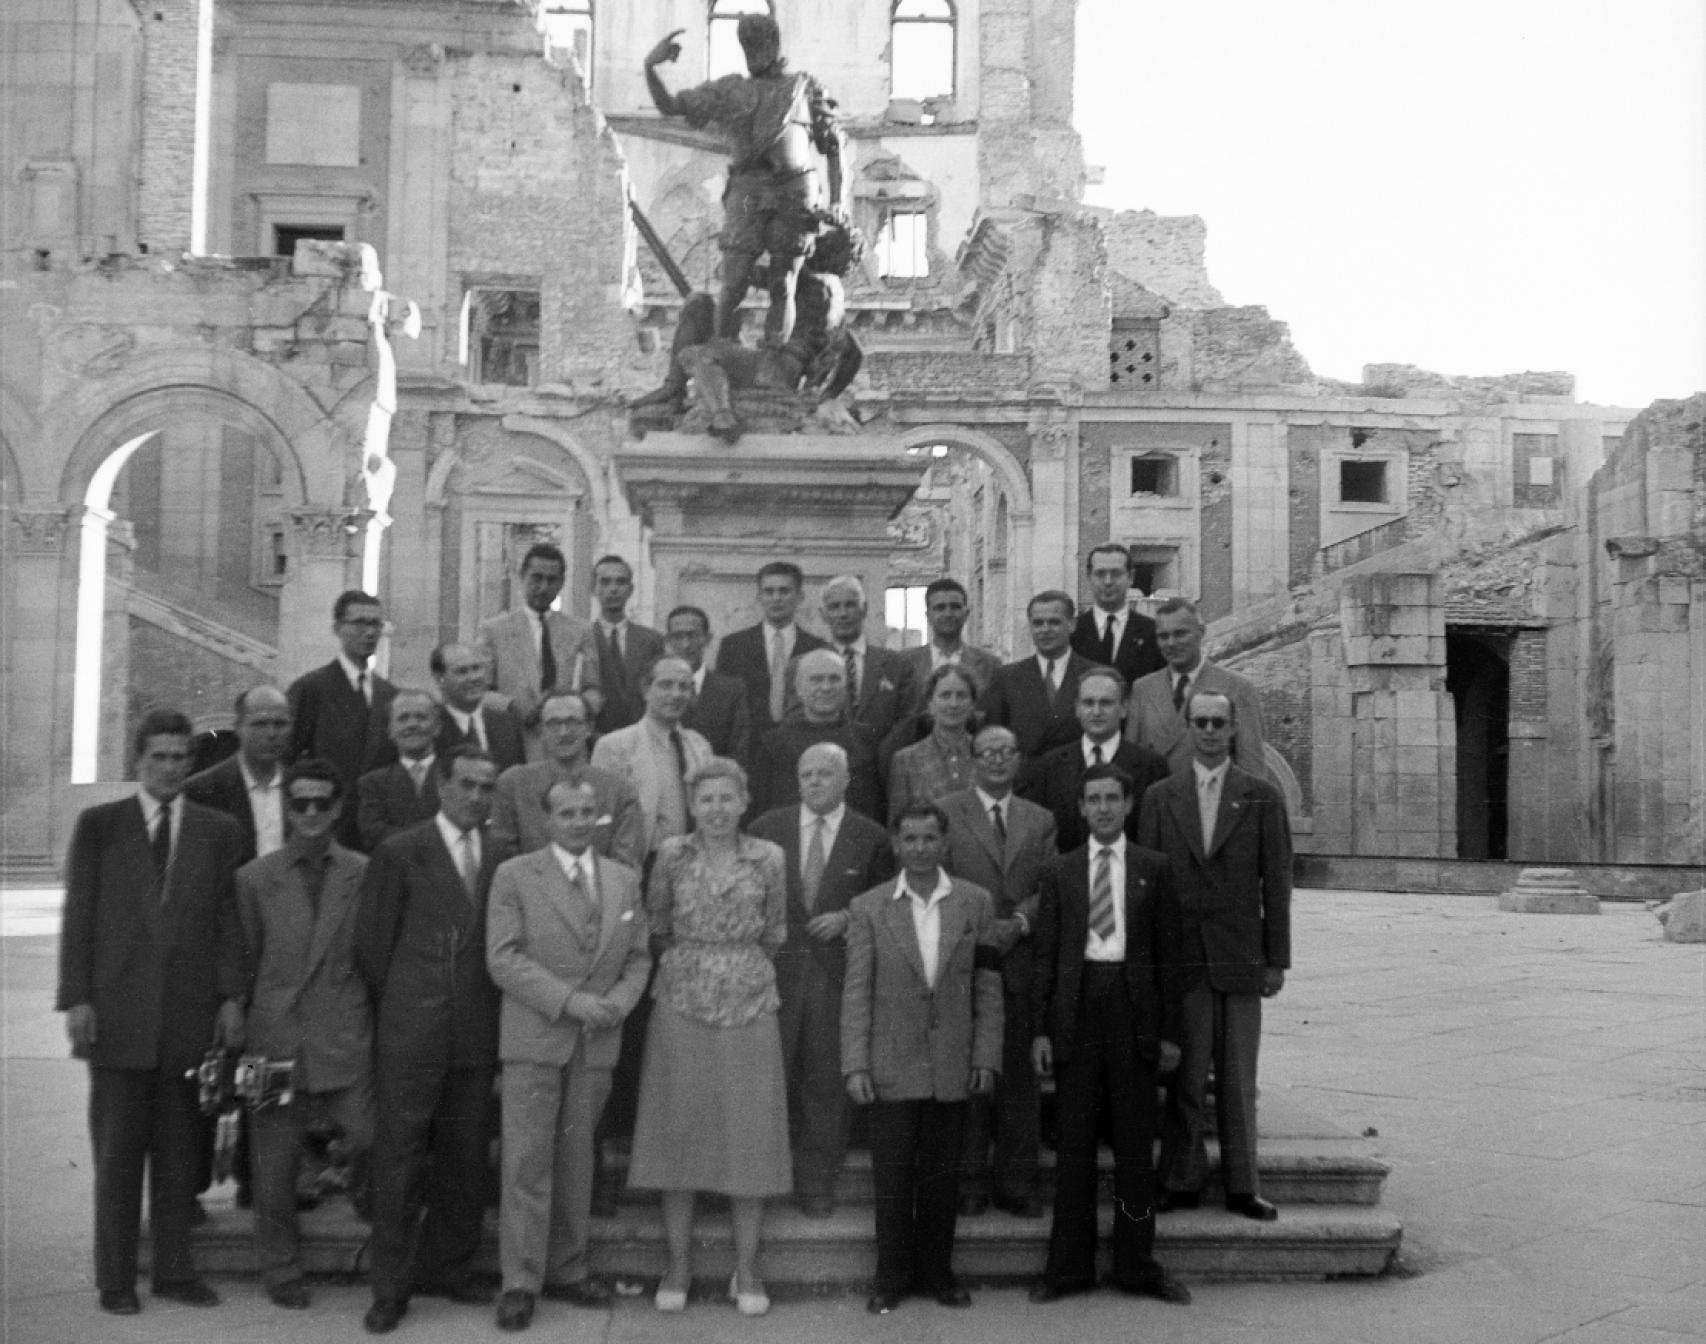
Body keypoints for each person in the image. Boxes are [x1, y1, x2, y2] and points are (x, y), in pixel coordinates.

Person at [57, 708, 246, 1315]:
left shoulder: (217, 832)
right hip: (116, 1017)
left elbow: (226, 922)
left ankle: (174, 1270)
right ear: (137, 761)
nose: (170, 767)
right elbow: (79, 916)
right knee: (117, 1158)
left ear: (192, 764)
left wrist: (230, 999)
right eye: (159, 756)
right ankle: (115, 1278)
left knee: (177, 1155)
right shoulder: (101, 826)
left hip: (187, 1020)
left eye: (179, 757)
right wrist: (77, 999)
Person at [355, 747, 513, 1334]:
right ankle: (390, 1288)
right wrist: (407, 1010)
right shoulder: (401, 852)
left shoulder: (502, 855)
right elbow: (372, 949)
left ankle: (450, 1267)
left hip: (476, 1034)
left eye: (488, 787)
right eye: (467, 784)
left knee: (466, 1156)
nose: (477, 796)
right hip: (412, 1033)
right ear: (442, 786)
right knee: (397, 1160)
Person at [486, 779, 652, 1331]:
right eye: (567, 813)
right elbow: (503, 958)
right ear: (548, 819)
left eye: (588, 813)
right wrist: (570, 1001)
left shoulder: (623, 880)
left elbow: (639, 958)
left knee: (577, 1160)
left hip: (597, 1038)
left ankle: (569, 1268)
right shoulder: (516, 875)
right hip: (537, 1035)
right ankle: (520, 1280)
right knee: (527, 1163)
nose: (579, 821)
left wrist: (618, 1003)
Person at [628, 759, 792, 1316]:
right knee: (679, 1131)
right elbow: (657, 926)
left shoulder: (769, 858)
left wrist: (734, 970)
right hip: (680, 1001)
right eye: (706, 800)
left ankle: (748, 1268)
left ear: (744, 801)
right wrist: (698, 968)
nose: (717, 809)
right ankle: (678, 1264)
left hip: (750, 1002)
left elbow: (774, 932)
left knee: (750, 1136)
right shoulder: (671, 855)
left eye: (727, 798)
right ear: (692, 806)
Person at [1028, 765, 1192, 1306]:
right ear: (1080, 808)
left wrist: (1169, 1033)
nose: (1102, 808)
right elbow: (1046, 957)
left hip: (1132, 1008)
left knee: (1133, 1149)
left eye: (1111, 799)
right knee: (1074, 1146)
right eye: (1092, 799)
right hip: (1078, 1010)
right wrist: (1041, 1031)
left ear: (1127, 806)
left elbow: (1172, 958)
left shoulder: (1154, 868)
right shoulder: (1061, 871)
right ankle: (1066, 1269)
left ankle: (1136, 1265)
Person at [842, 804, 1003, 1315]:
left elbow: (988, 986)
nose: (919, 847)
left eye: (929, 837)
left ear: (945, 842)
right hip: (891, 1061)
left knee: (941, 1176)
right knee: (891, 1179)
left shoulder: (975, 903)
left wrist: (986, 1054)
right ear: (895, 844)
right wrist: (856, 1064)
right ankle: (890, 1277)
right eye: (909, 838)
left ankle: (938, 1273)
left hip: (952, 1061)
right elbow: (856, 992)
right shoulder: (868, 907)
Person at [1138, 690, 1292, 1222]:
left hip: (1241, 955)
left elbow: (1277, 883)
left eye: (1217, 723)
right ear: (1187, 728)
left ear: (1233, 730)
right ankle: (1180, 1178)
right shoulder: (1160, 797)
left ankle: (1242, 1184)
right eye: (1199, 722)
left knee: (1237, 1078)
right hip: (1182, 961)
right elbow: (1148, 885)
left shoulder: (1261, 797)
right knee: (1185, 1077)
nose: (1208, 731)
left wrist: (1277, 959)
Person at [235, 758, 373, 1310]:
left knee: (372, 1136)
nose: (311, 812)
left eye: (322, 802)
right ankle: (281, 1270)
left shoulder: (363, 872)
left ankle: (376, 1233)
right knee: (272, 1164)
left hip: (344, 1030)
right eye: (300, 803)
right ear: (287, 809)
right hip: (273, 1036)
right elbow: (243, 960)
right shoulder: (254, 877)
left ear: (338, 808)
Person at [747, 744, 895, 1216]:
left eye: (825, 774)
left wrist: (849, 918)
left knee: (825, 1082)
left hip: (835, 974)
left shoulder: (869, 836)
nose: (814, 782)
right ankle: (760, 1182)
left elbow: (886, 902)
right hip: (774, 972)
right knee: (768, 1078)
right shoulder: (767, 828)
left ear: (847, 778)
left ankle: (816, 1183)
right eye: (806, 773)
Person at [643, 15, 844, 348]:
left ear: (774, 44)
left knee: (784, 282)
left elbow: (835, 147)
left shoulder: (805, 88)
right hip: (748, 193)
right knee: (733, 280)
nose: (753, 52)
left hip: (793, 193)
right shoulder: (729, 90)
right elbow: (669, 106)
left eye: (759, 43)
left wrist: (837, 201)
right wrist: (651, 66)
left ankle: (775, 362)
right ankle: (723, 351)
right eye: (747, 44)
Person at [937, 725, 1057, 1217]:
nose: (997, 760)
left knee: (1018, 1076)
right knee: (971, 1070)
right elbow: (937, 877)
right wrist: (980, 926)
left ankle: (1016, 1182)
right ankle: (967, 1181)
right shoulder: (947, 811)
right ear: (972, 759)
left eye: (1007, 751)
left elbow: (1051, 882)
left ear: (1019, 759)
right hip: (966, 952)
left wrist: (1022, 922)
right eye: (987, 752)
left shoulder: (1040, 818)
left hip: (1022, 954)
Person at [647, 220, 866, 444]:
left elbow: (731, 272)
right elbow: (855, 354)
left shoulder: (806, 278)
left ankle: (723, 416)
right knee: (701, 307)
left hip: (769, 370)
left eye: (817, 239)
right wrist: (827, 395)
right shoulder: (835, 297)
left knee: (697, 355)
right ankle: (679, 391)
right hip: (786, 374)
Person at [286, 590, 397, 847]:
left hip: (375, 831)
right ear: (338, 628)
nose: (369, 633)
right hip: (326, 825)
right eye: (359, 623)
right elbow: (288, 755)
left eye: (375, 624)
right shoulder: (312, 688)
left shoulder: (389, 694)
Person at [489, 690, 644, 867]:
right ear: (541, 730)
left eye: (573, 722)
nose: (563, 732)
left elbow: (626, 864)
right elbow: (503, 859)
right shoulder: (514, 784)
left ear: (589, 727)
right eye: (553, 723)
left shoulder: (619, 790)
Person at [1023, 667, 1170, 851]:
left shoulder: (1152, 766)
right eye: (1088, 703)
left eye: (1106, 703)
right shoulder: (1050, 765)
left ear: (1124, 708)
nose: (1096, 711)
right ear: (1077, 708)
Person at [1125, 596, 1270, 780]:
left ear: (1201, 632)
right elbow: (1131, 763)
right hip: (1157, 805)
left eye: (1180, 634)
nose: (1171, 643)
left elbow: (1253, 770)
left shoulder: (1238, 688)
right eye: (1163, 636)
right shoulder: (1143, 688)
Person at [477, 543, 603, 747]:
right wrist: (511, 705)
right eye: (537, 578)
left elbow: (593, 687)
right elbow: (480, 691)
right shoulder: (493, 630)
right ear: (522, 577)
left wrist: (577, 709)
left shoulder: (581, 631)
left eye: (552, 580)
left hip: (566, 737)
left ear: (561, 583)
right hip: (512, 738)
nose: (544, 587)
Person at [589, 656, 714, 859]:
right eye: (666, 685)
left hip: (694, 861)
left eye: (684, 687)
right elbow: (602, 821)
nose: (676, 694)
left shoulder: (700, 746)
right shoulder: (615, 746)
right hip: (642, 862)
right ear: (646, 690)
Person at [749, 648, 883, 820]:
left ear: (846, 686)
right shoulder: (773, 744)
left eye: (834, 679)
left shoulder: (866, 741)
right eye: (816, 680)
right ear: (798, 688)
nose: (826, 687)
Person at [977, 591, 1097, 761]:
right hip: (1024, 782)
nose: (1045, 629)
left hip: (1079, 779)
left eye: (1054, 622)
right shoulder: (1005, 678)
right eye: (1038, 623)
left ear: (1072, 624)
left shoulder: (1094, 675)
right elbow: (992, 736)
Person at [185, 684, 293, 865]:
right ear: (238, 727)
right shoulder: (201, 791)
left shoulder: (299, 789)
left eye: (280, 724)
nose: (271, 733)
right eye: (260, 724)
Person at [715, 560, 825, 730]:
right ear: (759, 597)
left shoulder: (818, 648)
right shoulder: (733, 646)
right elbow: (723, 706)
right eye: (769, 591)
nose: (776, 598)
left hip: (800, 744)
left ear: (800, 596)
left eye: (784, 591)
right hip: (748, 748)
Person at [813, 575, 917, 748]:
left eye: (850, 605)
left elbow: (906, 723)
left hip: (881, 768)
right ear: (823, 615)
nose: (843, 614)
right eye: (834, 607)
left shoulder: (897, 666)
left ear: (864, 609)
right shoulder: (808, 665)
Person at [887, 662, 980, 825]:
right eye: (945, 695)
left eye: (961, 695)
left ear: (972, 704)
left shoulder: (985, 754)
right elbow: (897, 825)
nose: (953, 704)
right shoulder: (905, 760)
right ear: (930, 703)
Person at [896, 578, 1002, 716]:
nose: (948, 614)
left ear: (966, 613)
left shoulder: (990, 665)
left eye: (955, 607)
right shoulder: (904, 663)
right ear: (928, 615)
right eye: (940, 607)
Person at [355, 690, 443, 854]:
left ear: (437, 727)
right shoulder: (372, 783)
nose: (412, 725)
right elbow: (373, 834)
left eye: (421, 717)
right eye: (403, 718)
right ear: (390, 731)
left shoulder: (454, 775)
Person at [666, 604, 754, 766]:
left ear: (707, 639)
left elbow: (739, 750)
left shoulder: (731, 690)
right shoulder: (657, 690)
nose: (686, 645)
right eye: (678, 637)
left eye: (692, 636)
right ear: (669, 641)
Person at [588, 555, 666, 735]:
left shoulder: (651, 640)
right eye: (605, 582)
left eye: (620, 582)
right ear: (594, 588)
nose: (613, 589)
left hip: (642, 735)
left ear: (630, 589)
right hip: (594, 735)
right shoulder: (584, 637)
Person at [1071, 544, 1165, 685]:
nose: (1108, 581)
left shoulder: (1152, 632)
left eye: (1116, 573)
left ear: (1131, 577)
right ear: (1089, 577)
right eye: (1100, 574)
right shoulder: (1071, 632)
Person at [430, 642, 526, 773]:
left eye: (476, 668)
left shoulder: (508, 723)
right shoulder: (431, 727)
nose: (473, 678)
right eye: (462, 671)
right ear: (439, 678)